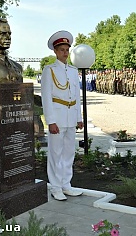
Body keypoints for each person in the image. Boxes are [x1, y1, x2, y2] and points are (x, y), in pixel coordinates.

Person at [41, 30, 84, 201]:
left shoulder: (73, 71)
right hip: (57, 118)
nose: (65, 53)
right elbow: (46, 97)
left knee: (68, 152)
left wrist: (79, 118)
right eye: (61, 50)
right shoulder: (49, 70)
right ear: (55, 51)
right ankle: (55, 186)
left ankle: (66, 184)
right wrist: (50, 121)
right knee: (55, 153)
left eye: (67, 49)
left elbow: (77, 95)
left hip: (71, 116)